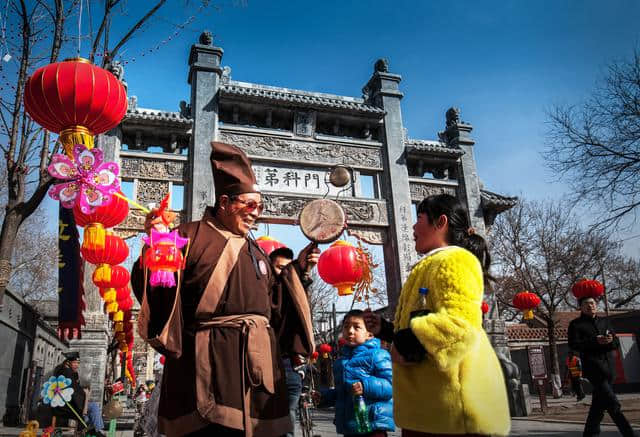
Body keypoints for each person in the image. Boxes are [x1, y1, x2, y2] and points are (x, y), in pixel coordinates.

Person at [131, 141, 317, 437]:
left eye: (261, 207)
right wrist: (157, 246)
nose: (256, 213)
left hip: (259, 370)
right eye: (250, 205)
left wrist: (299, 271)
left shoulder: (256, 252)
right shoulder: (186, 236)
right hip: (207, 364)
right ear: (225, 203)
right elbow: (158, 290)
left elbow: (274, 306)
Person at [363, 194, 510, 436]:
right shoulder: (433, 263)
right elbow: (425, 319)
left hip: (449, 410)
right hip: (430, 407)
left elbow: (459, 325)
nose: (412, 226)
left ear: (440, 222)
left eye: (419, 218)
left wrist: (405, 342)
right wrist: (389, 330)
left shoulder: (455, 260)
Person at [317, 309, 394, 437]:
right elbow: (342, 392)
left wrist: (365, 386)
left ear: (370, 333)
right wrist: (324, 397)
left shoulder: (378, 355)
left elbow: (390, 386)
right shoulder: (340, 362)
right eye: (346, 326)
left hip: (372, 424)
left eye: (356, 327)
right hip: (349, 425)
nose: (350, 331)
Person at [568, 297, 635, 437]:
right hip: (593, 370)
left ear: (596, 305)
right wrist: (595, 341)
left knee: (597, 407)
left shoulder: (605, 321)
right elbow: (574, 345)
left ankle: (590, 434)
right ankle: (629, 433)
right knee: (613, 405)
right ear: (580, 307)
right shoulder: (575, 325)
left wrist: (610, 341)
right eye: (586, 304)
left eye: (592, 303)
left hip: (609, 368)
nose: (590, 306)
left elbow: (616, 342)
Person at [269, 246, 311, 437]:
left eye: (288, 269)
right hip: (264, 364)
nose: (284, 273)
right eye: (279, 269)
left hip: (290, 366)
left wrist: (302, 273)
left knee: (287, 420)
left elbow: (298, 286)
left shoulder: (298, 292)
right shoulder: (264, 293)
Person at [51, 351, 86, 428]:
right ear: (68, 362)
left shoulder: (62, 369)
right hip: (64, 406)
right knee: (93, 407)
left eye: (78, 363)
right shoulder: (67, 372)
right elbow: (75, 392)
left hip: (61, 403)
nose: (77, 365)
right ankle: (93, 429)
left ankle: (91, 428)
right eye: (74, 363)